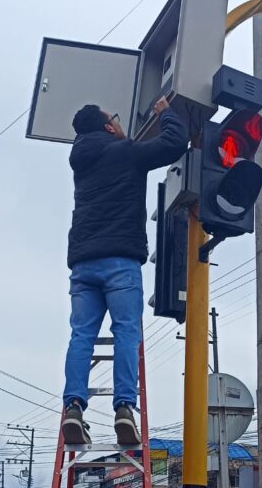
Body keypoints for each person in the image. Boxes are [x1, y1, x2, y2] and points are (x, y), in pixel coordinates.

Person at [61, 98, 188, 447]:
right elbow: (175, 143)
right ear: (108, 127)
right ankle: (124, 409)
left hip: (83, 264)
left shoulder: (81, 162)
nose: (119, 123)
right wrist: (165, 112)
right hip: (120, 261)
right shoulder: (126, 152)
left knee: (81, 336)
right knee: (126, 333)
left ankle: (73, 406)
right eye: (114, 119)